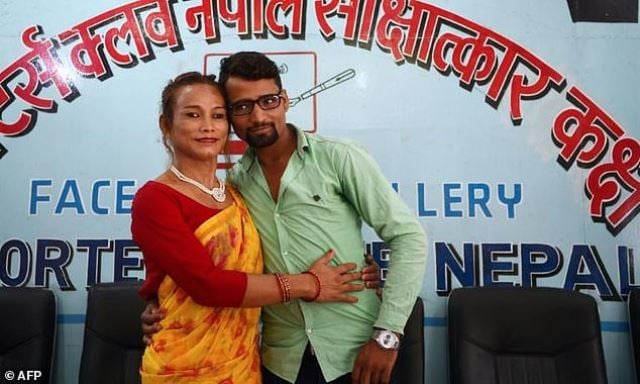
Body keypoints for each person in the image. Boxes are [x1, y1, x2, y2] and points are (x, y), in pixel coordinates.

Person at [144, 52, 428, 384]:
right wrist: (157, 302)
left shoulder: (338, 158)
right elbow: (207, 270)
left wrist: (388, 334)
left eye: (268, 101)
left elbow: (409, 237)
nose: (259, 116)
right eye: (242, 107)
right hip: (280, 362)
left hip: (354, 354)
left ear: (285, 101)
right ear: (232, 118)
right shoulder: (235, 187)